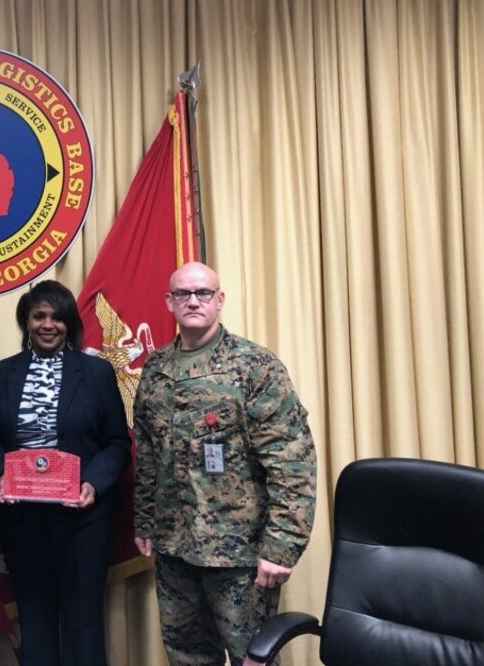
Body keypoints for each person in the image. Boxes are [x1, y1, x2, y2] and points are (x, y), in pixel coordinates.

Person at [133, 261, 317, 666]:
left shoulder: (255, 367)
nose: (193, 301)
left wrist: (282, 547)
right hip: (174, 548)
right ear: (170, 302)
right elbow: (148, 454)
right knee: (187, 655)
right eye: (183, 294)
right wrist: (145, 521)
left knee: (253, 657)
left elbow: (293, 464)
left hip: (239, 554)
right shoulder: (155, 370)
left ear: (220, 301)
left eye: (203, 293)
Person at [0, 279, 130, 666]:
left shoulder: (96, 373)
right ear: (26, 322)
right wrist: (1, 474)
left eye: (57, 317)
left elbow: (117, 442)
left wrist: (92, 484)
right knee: (34, 618)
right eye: (39, 316)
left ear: (69, 323)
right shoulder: (5, 372)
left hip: (82, 519)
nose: (48, 325)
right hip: (23, 518)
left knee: (83, 621)